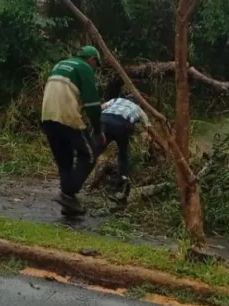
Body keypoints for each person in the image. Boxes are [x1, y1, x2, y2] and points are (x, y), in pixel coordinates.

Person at [40, 45, 103, 217]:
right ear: (91, 59)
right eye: (96, 64)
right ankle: (68, 193)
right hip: (66, 117)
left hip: (47, 116)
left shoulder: (60, 64)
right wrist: (98, 131)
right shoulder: (84, 68)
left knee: (65, 159)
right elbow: (92, 104)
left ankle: (69, 205)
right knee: (90, 154)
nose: (95, 68)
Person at [100, 94, 148, 203]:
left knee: (96, 149)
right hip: (121, 125)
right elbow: (147, 125)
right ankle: (122, 181)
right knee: (123, 153)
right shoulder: (139, 109)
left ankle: (80, 173)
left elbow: (101, 107)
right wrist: (146, 134)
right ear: (138, 103)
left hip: (103, 120)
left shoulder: (116, 99)